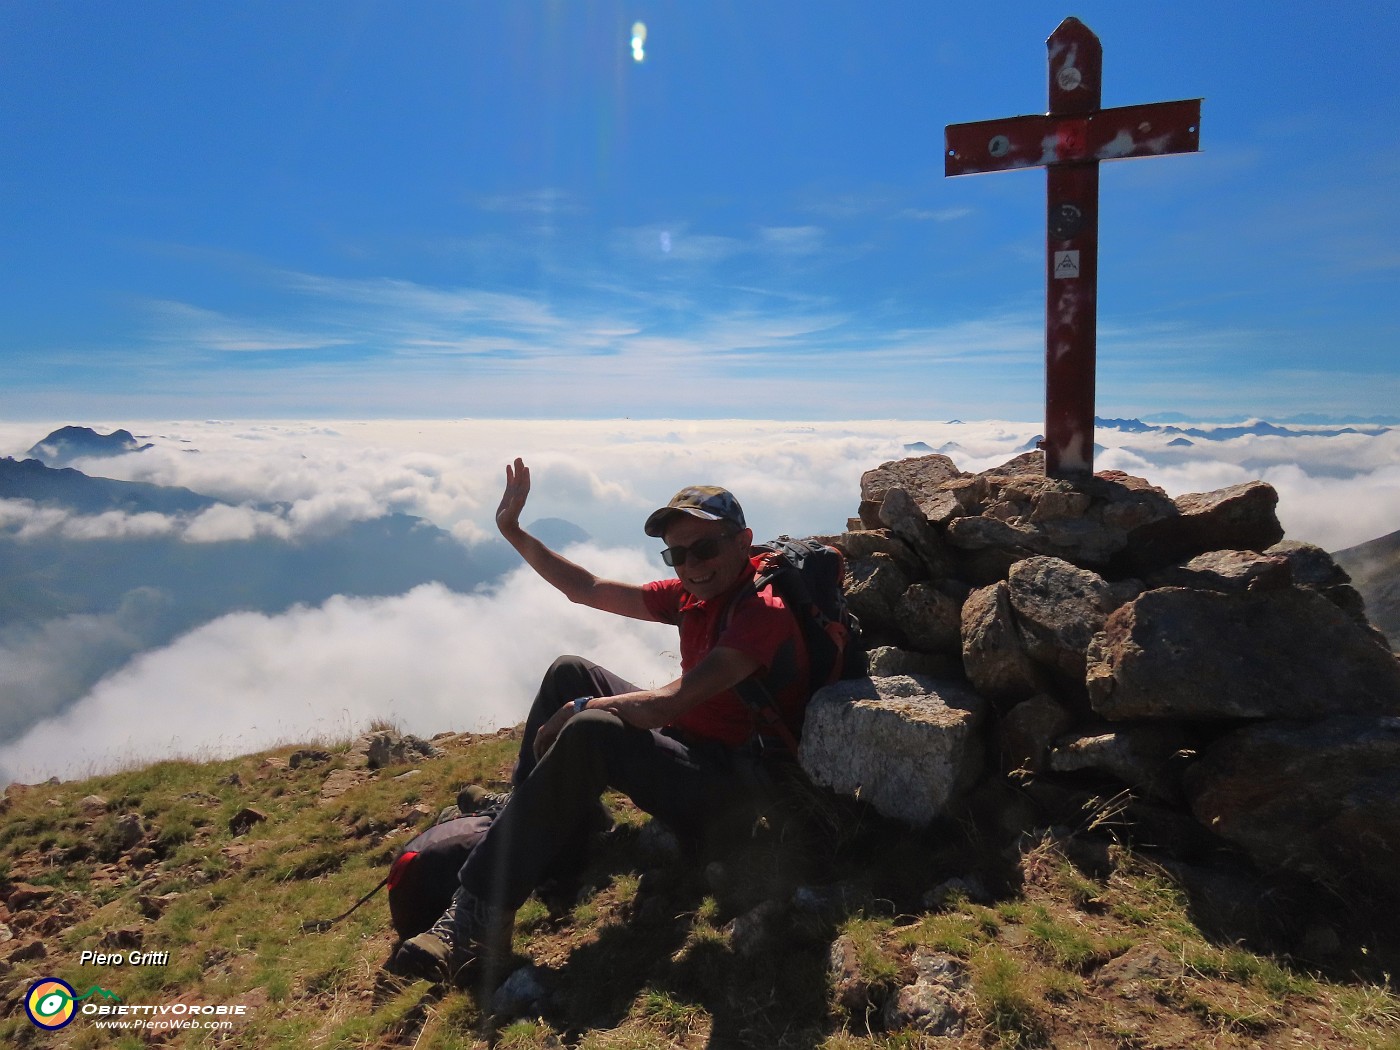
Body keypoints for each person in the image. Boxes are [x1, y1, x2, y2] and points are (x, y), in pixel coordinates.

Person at [388, 457, 814, 989]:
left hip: (733, 792)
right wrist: (514, 532)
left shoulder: (761, 613)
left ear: (743, 540)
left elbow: (664, 705)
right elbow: (586, 588)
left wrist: (578, 711)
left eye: (705, 548)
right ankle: (542, 826)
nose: (691, 564)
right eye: (677, 554)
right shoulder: (694, 596)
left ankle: (474, 922)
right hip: (691, 749)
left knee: (591, 726)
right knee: (570, 672)